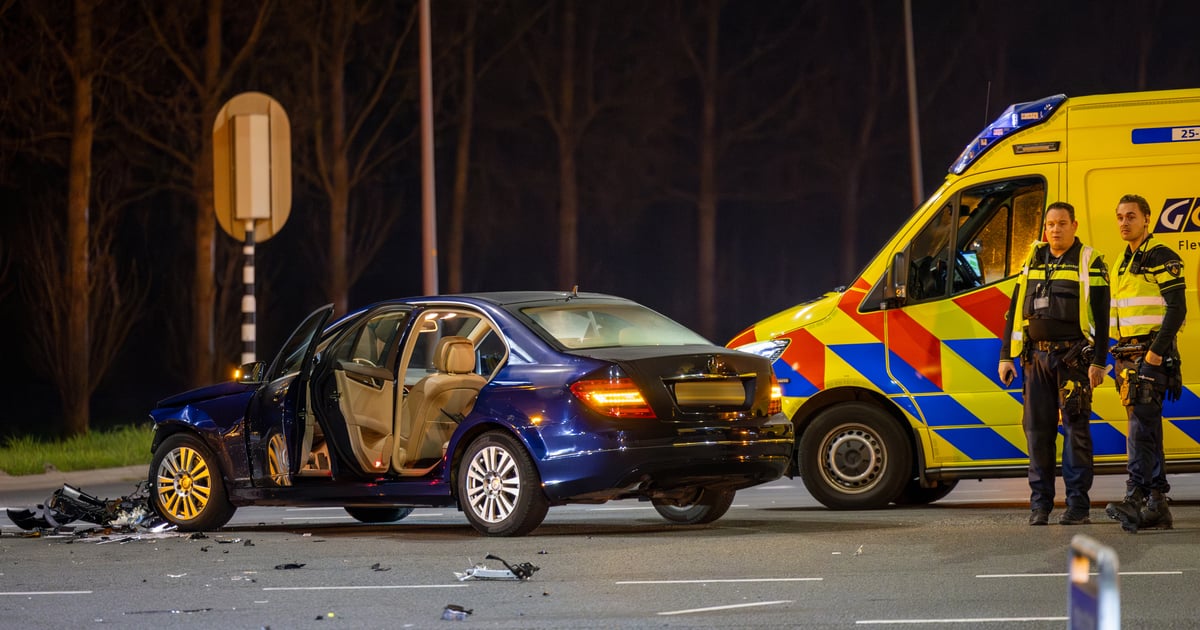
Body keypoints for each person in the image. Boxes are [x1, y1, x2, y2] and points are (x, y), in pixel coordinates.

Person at [999, 201, 1109, 526]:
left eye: (1062, 223)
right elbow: (1015, 309)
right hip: (1036, 359)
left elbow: (1103, 318)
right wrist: (1006, 355)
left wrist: (1100, 362)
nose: (1055, 230)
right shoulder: (1032, 259)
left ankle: (1077, 507)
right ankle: (1040, 506)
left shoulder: (1090, 261)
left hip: (1074, 359)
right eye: (1050, 224)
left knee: (1075, 432)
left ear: (1074, 225)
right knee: (1037, 433)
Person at [1104, 193, 1187, 533]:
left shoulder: (1160, 256)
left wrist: (1155, 353)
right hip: (1127, 359)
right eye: (1120, 217)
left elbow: (1177, 308)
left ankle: (1134, 497)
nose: (1124, 222)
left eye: (1131, 216)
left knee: (1140, 431)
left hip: (1148, 358)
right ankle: (1157, 506)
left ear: (1147, 219)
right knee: (1147, 432)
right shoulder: (1122, 262)